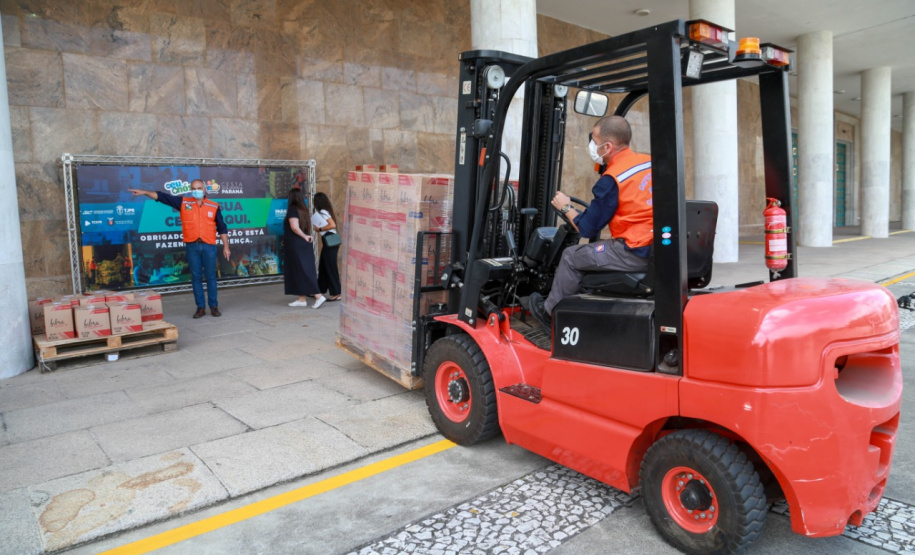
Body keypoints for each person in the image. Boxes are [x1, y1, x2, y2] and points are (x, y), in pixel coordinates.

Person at [529, 115, 653, 335]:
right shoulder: (648, 162)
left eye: (594, 141)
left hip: (633, 251)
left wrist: (566, 207)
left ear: (607, 146)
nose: (592, 146)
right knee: (594, 250)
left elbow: (588, 228)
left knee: (570, 256)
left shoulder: (612, 179)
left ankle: (552, 316)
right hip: (656, 247)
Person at [128, 180, 231, 318]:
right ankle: (200, 307)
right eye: (194, 188)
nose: (197, 191)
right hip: (192, 246)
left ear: (204, 189)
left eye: (199, 188)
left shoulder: (214, 206)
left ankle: (214, 306)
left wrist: (226, 246)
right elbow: (163, 197)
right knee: (196, 277)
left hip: (209, 246)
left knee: (211, 277)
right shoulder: (184, 202)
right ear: (190, 190)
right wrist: (145, 192)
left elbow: (222, 227)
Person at [284, 188, 326, 308]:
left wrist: (304, 236)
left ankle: (318, 296)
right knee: (301, 270)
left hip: (297, 244)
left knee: (302, 271)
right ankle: (302, 299)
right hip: (303, 245)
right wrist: (306, 237)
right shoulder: (304, 210)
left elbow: (295, 227)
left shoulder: (292, 210)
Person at [310, 192, 342, 301]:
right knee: (323, 266)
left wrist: (319, 229)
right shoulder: (326, 211)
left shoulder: (323, 212)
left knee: (330, 266)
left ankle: (337, 293)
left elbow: (332, 225)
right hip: (329, 241)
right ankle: (318, 290)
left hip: (330, 241)